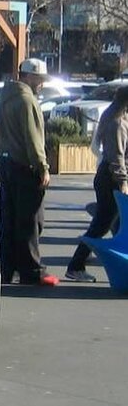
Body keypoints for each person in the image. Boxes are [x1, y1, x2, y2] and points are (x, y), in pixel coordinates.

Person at [0, 58, 57, 287]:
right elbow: (33, 138)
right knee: (31, 221)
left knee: (9, 221)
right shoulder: (26, 100)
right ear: (29, 77)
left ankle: (8, 269)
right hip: (24, 165)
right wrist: (43, 167)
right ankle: (31, 271)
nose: (42, 84)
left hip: (6, 163)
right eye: (39, 79)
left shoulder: (4, 98)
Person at [66, 85, 128, 282]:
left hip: (109, 177)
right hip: (111, 180)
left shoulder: (116, 117)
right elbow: (116, 156)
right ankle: (76, 265)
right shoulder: (117, 122)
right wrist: (123, 182)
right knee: (102, 224)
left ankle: (81, 263)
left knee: (114, 224)